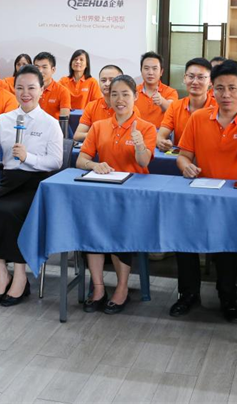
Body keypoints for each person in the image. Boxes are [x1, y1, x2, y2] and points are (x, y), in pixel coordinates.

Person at [171, 61, 237, 321]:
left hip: (236, 200)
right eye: (220, 88)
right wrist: (185, 167)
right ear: (212, 90)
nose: (226, 94)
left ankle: (228, 298)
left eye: (232, 88)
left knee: (226, 246)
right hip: (201, 194)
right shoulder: (198, 118)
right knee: (185, 239)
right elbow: (183, 156)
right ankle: (188, 294)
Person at [0, 65, 64, 306]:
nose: (25, 93)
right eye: (20, 88)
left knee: (10, 213)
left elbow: (56, 161)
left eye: (31, 88)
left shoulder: (50, 123)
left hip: (36, 185)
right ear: (14, 90)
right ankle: (2, 275)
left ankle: (21, 277)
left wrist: (28, 157)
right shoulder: (5, 119)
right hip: (8, 182)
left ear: (41, 90)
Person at [76, 75, 156, 314]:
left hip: (132, 198)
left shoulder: (146, 127)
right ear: (108, 98)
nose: (119, 99)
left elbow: (144, 162)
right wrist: (95, 165)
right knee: (91, 227)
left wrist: (139, 144)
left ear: (135, 96)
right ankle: (98, 288)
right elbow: (81, 159)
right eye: (114, 94)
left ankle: (122, 289)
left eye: (125, 94)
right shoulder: (99, 126)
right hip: (102, 193)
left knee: (120, 228)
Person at [157, 58, 215, 152]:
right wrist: (162, 143)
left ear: (210, 81)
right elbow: (160, 136)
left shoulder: (218, 108)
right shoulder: (175, 106)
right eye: (191, 76)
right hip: (181, 158)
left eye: (201, 77)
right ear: (185, 78)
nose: (195, 82)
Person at [73, 65, 126, 142]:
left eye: (111, 80)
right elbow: (78, 135)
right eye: (103, 80)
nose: (107, 84)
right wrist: (101, 134)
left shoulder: (129, 108)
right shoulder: (92, 106)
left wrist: (95, 134)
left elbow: (129, 137)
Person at [136, 51, 178, 127]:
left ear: (161, 72)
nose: (150, 72)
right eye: (146, 68)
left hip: (161, 132)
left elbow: (173, 110)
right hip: (138, 131)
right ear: (141, 71)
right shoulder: (133, 91)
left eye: (154, 68)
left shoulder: (171, 92)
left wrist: (161, 101)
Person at [33, 52, 72, 120]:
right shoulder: (29, 90)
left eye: (44, 67)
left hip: (54, 126)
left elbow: (64, 120)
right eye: (37, 67)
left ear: (53, 70)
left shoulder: (62, 91)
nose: (40, 71)